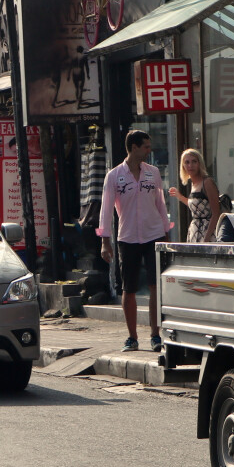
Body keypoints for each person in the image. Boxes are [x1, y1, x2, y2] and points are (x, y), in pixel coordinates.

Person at [98, 129, 172, 353]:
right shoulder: (114, 176)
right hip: (128, 237)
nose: (150, 151)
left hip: (154, 235)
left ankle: (155, 334)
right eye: (146, 147)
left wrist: (166, 231)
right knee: (128, 289)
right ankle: (132, 337)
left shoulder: (153, 173)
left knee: (154, 285)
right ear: (134, 147)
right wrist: (105, 241)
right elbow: (106, 209)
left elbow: (160, 203)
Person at [167, 148, 222, 242]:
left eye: (194, 162)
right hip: (194, 232)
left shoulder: (207, 182)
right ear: (183, 166)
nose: (190, 165)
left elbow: (216, 213)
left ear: (200, 163)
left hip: (209, 233)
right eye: (187, 162)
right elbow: (196, 207)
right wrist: (179, 197)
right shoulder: (193, 184)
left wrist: (206, 239)